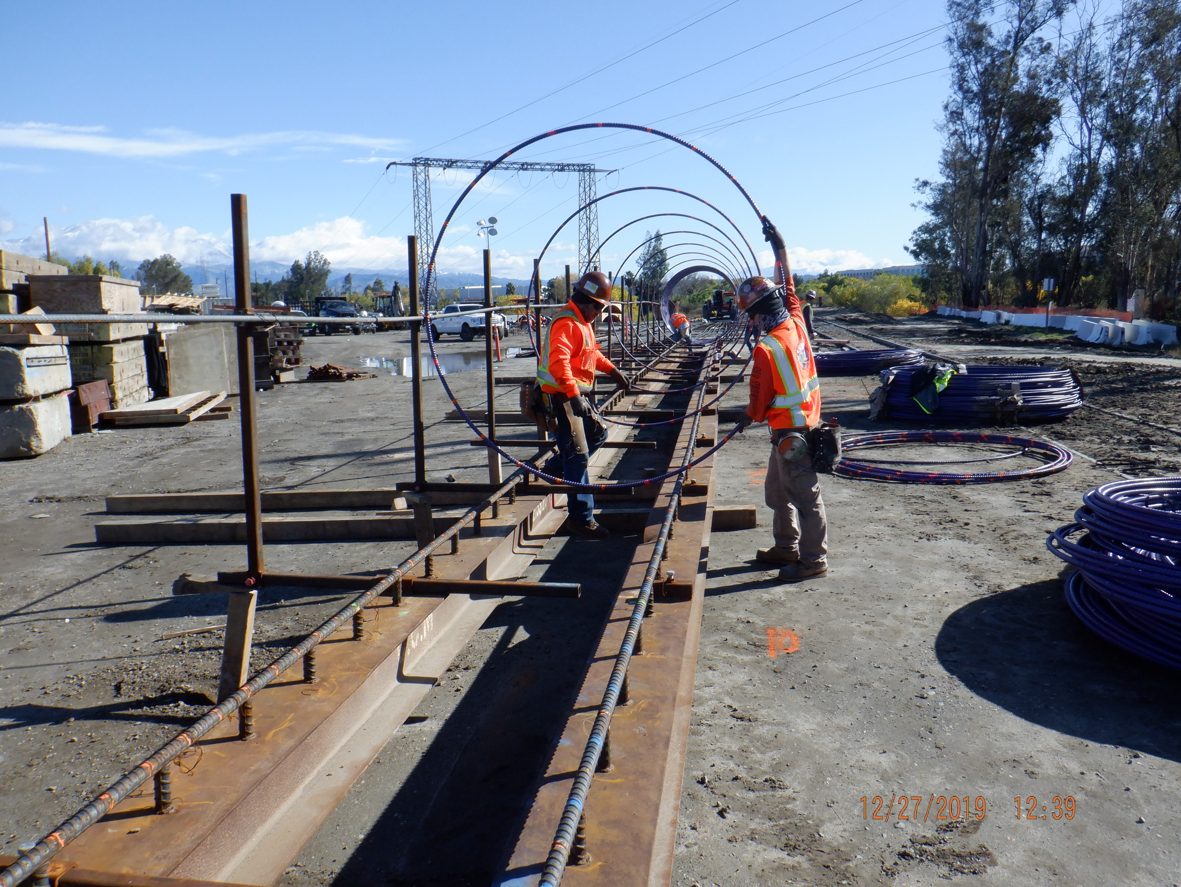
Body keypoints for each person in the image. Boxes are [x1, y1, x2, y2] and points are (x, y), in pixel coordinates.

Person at [735, 217, 828, 582]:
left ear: (757, 314)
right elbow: (788, 285)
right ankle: (785, 548)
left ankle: (813, 562)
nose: (751, 321)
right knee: (777, 491)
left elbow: (760, 399)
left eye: (751, 315)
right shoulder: (795, 320)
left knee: (805, 496)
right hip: (797, 425)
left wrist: (747, 417)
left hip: (793, 431)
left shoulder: (767, 347)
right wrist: (780, 247)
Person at [536, 270, 634, 539]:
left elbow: (592, 355)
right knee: (578, 457)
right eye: (598, 308)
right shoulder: (567, 323)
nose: (599, 314)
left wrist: (613, 371)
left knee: (598, 434)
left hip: (574, 396)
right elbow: (559, 363)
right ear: (586, 300)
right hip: (563, 398)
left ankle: (556, 468)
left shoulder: (581, 323)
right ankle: (581, 519)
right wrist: (573, 395)